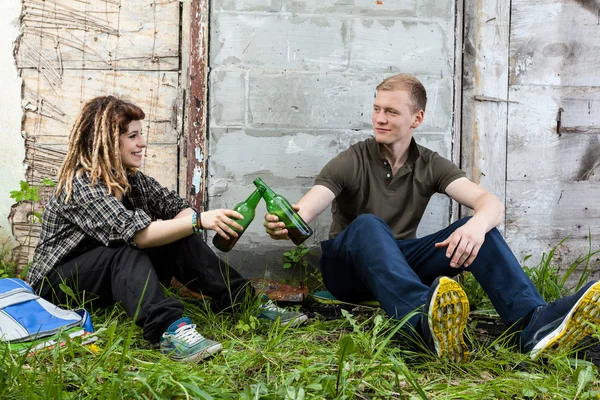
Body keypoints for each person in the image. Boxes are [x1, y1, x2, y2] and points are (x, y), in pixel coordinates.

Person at [263, 73, 600, 362]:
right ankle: (419, 322)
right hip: (346, 270)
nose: (379, 118)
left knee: (482, 232)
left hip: (398, 265)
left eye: (391, 112)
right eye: (377, 109)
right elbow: (306, 209)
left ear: (417, 119)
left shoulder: (429, 164)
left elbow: (489, 202)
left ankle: (532, 323)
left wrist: (476, 226)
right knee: (368, 224)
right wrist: (286, 223)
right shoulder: (351, 160)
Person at [28, 96, 307, 363]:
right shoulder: (82, 186)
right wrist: (198, 221)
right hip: (57, 289)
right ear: (109, 143)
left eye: (141, 134)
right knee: (129, 246)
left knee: (175, 234)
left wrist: (196, 223)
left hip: (106, 281)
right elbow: (138, 234)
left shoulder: (131, 180)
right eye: (133, 136)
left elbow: (175, 208)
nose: (143, 143)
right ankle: (170, 330)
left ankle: (244, 303)